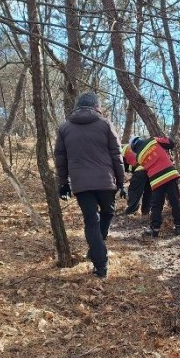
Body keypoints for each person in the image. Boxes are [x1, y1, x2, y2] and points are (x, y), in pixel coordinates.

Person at [54, 92, 125, 279]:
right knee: (107, 213)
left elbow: (60, 159)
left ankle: (98, 259)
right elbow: (117, 155)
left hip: (81, 184)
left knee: (91, 221)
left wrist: (63, 183)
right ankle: (99, 256)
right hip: (105, 180)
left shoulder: (64, 128)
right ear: (96, 107)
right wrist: (121, 181)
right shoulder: (105, 125)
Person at [130, 134, 180, 237]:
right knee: (174, 202)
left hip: (156, 180)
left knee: (156, 205)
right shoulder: (153, 140)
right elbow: (170, 143)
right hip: (170, 175)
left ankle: (155, 229)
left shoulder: (138, 157)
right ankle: (179, 227)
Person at [121, 142, 151, 216]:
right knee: (148, 192)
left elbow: (121, 167)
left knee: (134, 191)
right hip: (151, 170)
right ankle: (146, 212)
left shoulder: (122, 150)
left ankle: (131, 212)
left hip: (140, 170)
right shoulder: (140, 146)